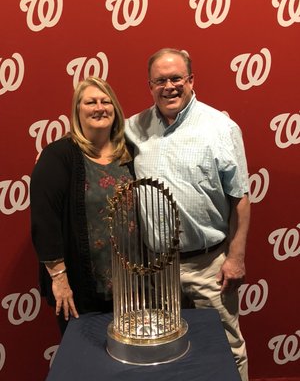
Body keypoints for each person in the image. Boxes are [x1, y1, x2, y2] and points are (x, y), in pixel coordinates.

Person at [125, 48, 250, 381]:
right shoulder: (133, 128)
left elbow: (240, 198)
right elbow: (92, 142)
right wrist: (56, 156)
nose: (169, 87)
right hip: (157, 270)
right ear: (150, 85)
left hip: (209, 266)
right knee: (168, 353)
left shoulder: (220, 127)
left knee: (227, 350)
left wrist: (235, 258)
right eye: (160, 80)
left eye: (177, 78)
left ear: (191, 80)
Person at [30, 76, 133, 334]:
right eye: (90, 102)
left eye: (105, 101)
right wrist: (59, 279)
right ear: (77, 110)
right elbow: (45, 221)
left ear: (115, 109)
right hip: (81, 287)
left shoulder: (130, 152)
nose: (99, 107)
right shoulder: (59, 155)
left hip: (132, 287)